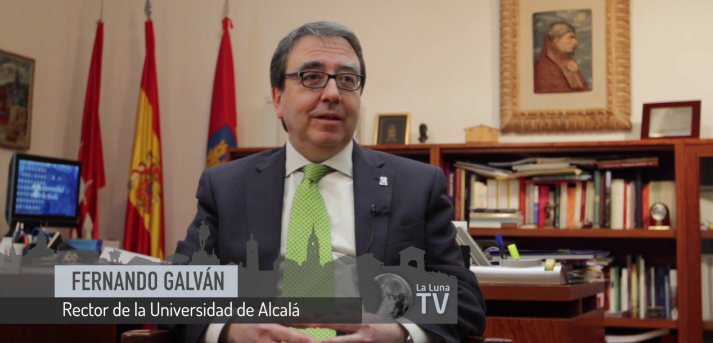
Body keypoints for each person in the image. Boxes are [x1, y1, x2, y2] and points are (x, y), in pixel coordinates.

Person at [170, 21, 486, 342]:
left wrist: (397, 331)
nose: (333, 93)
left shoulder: (415, 185)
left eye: (347, 79)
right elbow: (172, 291)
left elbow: (463, 298)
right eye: (312, 77)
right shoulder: (227, 186)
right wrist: (230, 330)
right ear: (278, 99)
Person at [533, 21, 589, 93]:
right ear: (557, 41)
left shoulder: (570, 64)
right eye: (571, 37)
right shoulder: (542, 68)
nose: (576, 43)